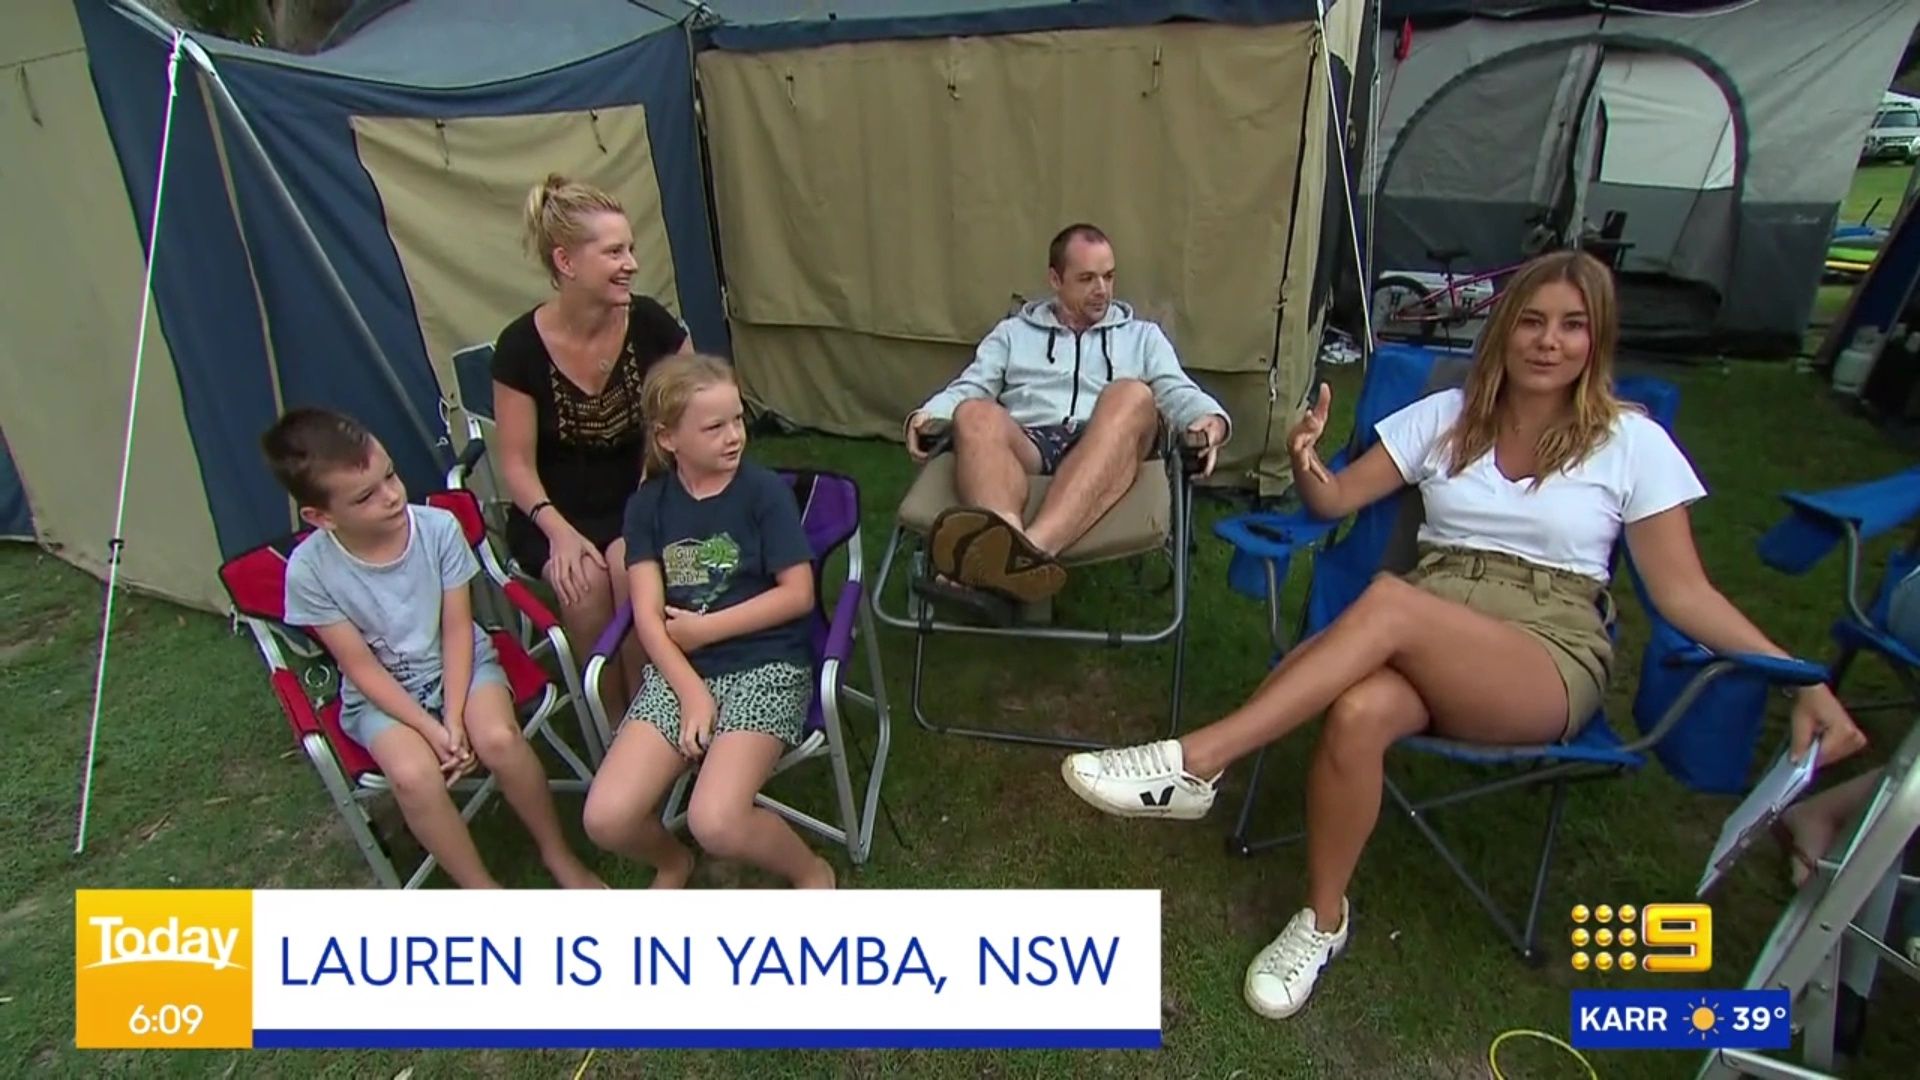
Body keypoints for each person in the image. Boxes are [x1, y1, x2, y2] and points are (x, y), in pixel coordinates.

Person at [1054, 250, 1869, 1020]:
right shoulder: (1447, 418)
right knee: (1359, 712)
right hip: (1430, 620)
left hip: (1543, 648)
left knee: (1389, 603)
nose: (1549, 341)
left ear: (1597, 340)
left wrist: (1801, 677)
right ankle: (1323, 921)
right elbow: (1335, 501)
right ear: (1504, 328)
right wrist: (1305, 457)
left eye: (1573, 325)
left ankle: (1200, 761)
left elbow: (1686, 595)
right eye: (1532, 321)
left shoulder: (1632, 442)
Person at [265, 407, 604, 890]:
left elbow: (457, 629)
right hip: (382, 693)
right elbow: (360, 668)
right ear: (321, 517)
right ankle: (482, 891)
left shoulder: (437, 529)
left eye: (390, 475)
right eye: (365, 496)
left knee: (499, 739)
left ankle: (558, 854)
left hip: (460, 666)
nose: (391, 496)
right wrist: (431, 729)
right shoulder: (308, 572)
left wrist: (453, 716)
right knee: (413, 776)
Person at [579, 354, 835, 890]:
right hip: (681, 671)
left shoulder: (762, 492)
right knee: (606, 818)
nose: (734, 436)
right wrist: (692, 692)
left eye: (738, 419)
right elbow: (648, 617)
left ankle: (811, 870)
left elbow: (798, 595)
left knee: (715, 821)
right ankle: (674, 862)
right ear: (668, 438)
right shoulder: (648, 507)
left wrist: (706, 630)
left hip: (767, 664)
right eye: (715, 427)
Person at [904, 223, 1231, 608]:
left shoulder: (1142, 337)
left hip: (1107, 442)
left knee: (1132, 394)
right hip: (1031, 442)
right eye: (1087, 278)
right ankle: (1005, 543)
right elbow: (972, 385)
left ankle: (1028, 552)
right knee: (973, 412)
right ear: (1055, 280)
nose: (1102, 290)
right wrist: (928, 414)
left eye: (1109, 276)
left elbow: (1176, 389)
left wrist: (1210, 417)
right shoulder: (1013, 334)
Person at [492, 173, 694, 718]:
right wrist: (558, 533)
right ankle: (612, 726)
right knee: (581, 587)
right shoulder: (520, 348)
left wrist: (653, 490)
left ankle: (654, 717)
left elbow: (699, 409)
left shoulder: (650, 324)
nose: (632, 263)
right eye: (614, 252)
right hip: (557, 509)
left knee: (632, 571)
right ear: (566, 262)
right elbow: (515, 462)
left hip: (644, 492)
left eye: (630, 248)